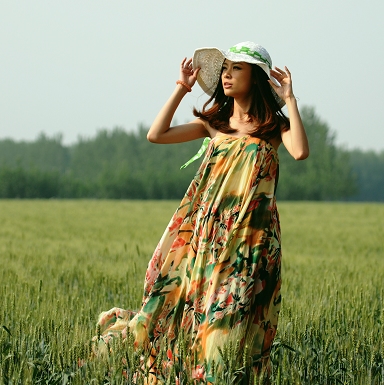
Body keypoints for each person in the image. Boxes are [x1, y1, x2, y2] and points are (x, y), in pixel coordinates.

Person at [93, 41, 309, 384]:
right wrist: (181, 89)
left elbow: (300, 152)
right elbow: (156, 134)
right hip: (208, 238)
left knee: (234, 317)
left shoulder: (273, 127)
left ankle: (221, 376)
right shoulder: (216, 125)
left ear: (256, 78)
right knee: (202, 311)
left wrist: (291, 101)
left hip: (251, 244)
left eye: (236, 68)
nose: (227, 75)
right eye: (225, 69)